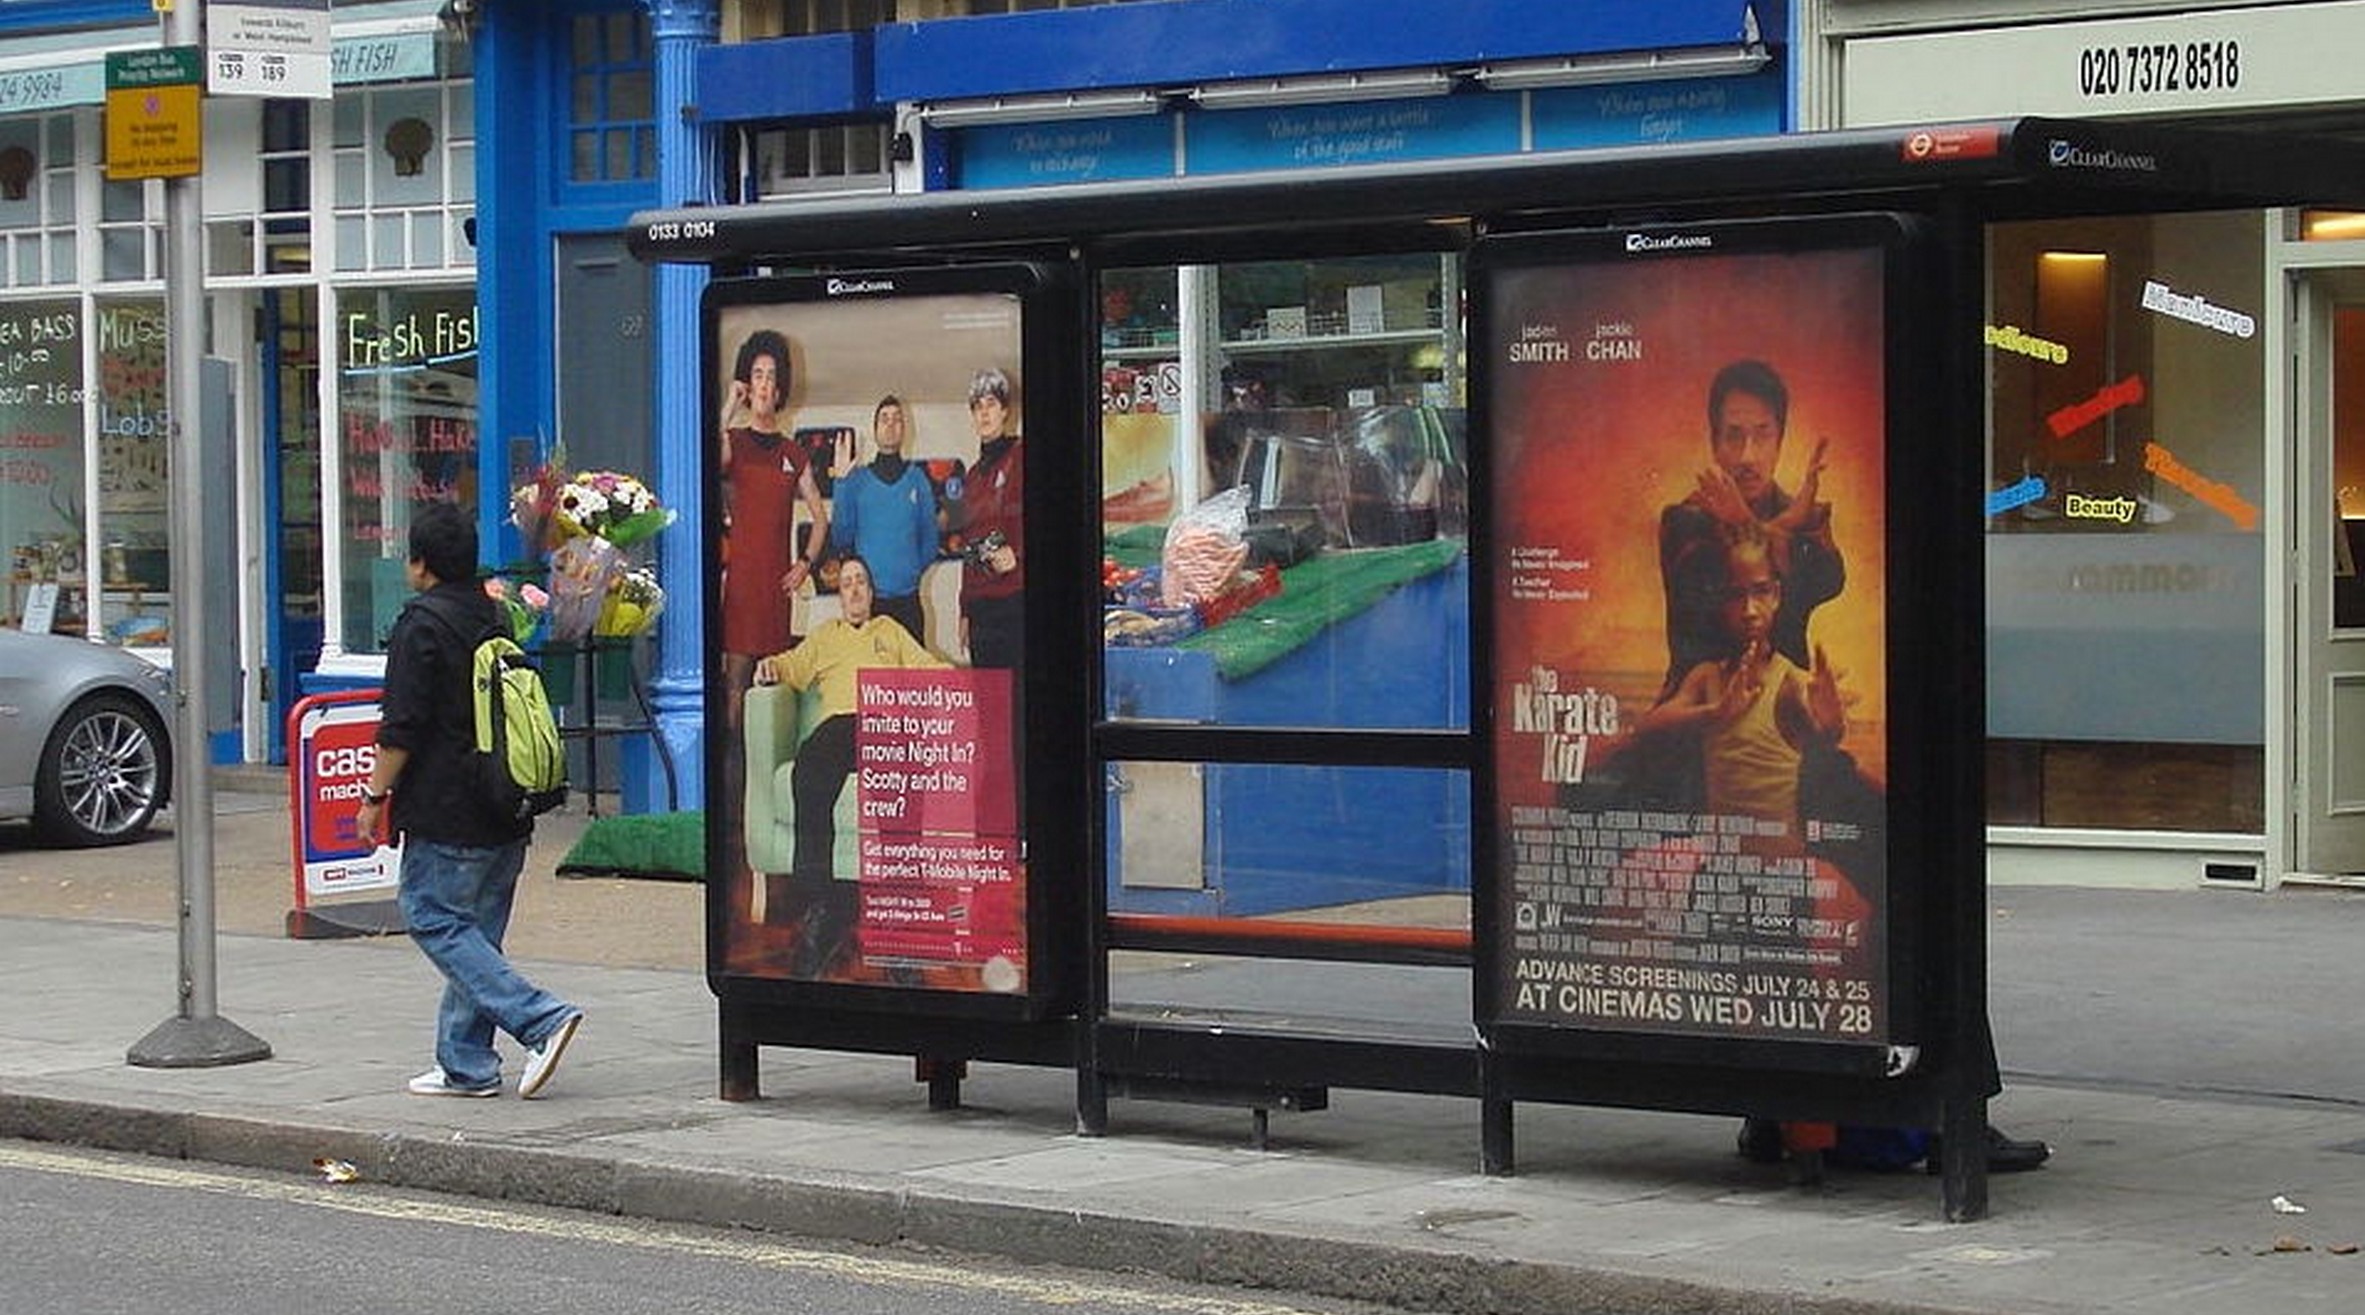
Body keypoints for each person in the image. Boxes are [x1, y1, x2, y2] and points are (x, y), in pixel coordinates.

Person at [357, 501, 582, 1100]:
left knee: (433, 918)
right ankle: (467, 1065)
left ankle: (541, 1018)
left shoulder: (421, 624)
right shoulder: (495, 614)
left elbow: (400, 726)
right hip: (505, 802)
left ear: (420, 564)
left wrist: (374, 796)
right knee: (476, 934)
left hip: (447, 806)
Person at [752, 555, 949, 976]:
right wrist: (772, 666)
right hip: (839, 725)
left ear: (872, 592)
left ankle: (898, 914)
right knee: (809, 772)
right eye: (846, 584)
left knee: (897, 783)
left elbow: (928, 667)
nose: (855, 590)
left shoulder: (891, 632)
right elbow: (792, 664)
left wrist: (958, 682)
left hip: (883, 719)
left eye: (861, 581)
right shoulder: (826, 636)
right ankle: (824, 900)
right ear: (839, 596)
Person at [1658, 360, 1841, 698]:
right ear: (1715, 442)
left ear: (1779, 442)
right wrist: (1777, 529)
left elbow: (1827, 582)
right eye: (1734, 436)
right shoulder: (1684, 520)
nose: (1747, 456)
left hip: (1783, 708)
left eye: (1762, 435)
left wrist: (1745, 522)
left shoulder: (1804, 513)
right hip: (1698, 707)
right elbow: (1703, 603)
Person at [720, 328, 830, 729]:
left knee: (771, 690)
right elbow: (709, 460)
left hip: (775, 589)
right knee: (734, 690)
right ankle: (736, 781)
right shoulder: (732, 439)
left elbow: (820, 519)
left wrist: (804, 563)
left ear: (780, 389)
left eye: (770, 376)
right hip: (740, 588)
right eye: (757, 375)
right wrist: (730, 405)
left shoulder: (794, 453)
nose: (764, 384)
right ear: (748, 385)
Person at [828, 395, 942, 646]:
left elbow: (931, 542)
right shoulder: (856, 480)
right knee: (871, 684)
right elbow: (840, 538)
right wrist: (841, 483)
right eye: (884, 418)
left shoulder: (918, 480)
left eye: (897, 419)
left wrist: (907, 573)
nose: (891, 424)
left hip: (909, 603)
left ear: (904, 430)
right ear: (875, 429)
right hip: (869, 606)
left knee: (912, 684)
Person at [948, 366, 1024, 670]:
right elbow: (968, 547)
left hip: (1017, 602)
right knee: (989, 706)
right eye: (977, 407)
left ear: (1005, 411)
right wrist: (964, 610)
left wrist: (1018, 553)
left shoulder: (1021, 456)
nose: (984, 413)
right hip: (980, 610)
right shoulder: (969, 477)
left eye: (991, 403)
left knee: (1021, 704)